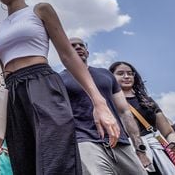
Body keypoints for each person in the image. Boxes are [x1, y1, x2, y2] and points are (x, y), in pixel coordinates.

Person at [0, 0, 120, 174]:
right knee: (23, 160)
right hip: (13, 91)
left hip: (43, 83)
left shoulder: (40, 10)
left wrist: (99, 102)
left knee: (55, 154)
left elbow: (67, 55)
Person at [60, 37, 148, 174]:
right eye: (72, 45)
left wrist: (139, 149)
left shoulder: (105, 74)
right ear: (64, 52)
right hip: (85, 141)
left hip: (120, 141)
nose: (78, 47)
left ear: (87, 52)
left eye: (81, 45)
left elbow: (125, 111)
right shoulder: (59, 80)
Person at [110, 61, 175, 174]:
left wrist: (173, 143)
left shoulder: (147, 101)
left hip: (158, 153)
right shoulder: (107, 102)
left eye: (130, 73)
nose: (126, 76)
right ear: (111, 77)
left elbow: (168, 132)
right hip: (127, 154)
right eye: (120, 73)